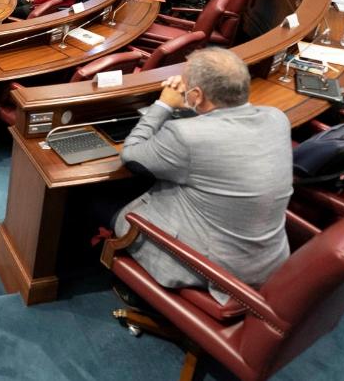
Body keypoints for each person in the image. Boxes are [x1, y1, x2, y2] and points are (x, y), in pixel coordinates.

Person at [111, 48, 292, 301]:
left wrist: (164, 103)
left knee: (104, 200)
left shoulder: (186, 136)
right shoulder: (277, 118)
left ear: (196, 95)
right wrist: (194, 105)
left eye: (187, 85)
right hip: (268, 261)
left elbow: (131, 156)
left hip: (216, 271)